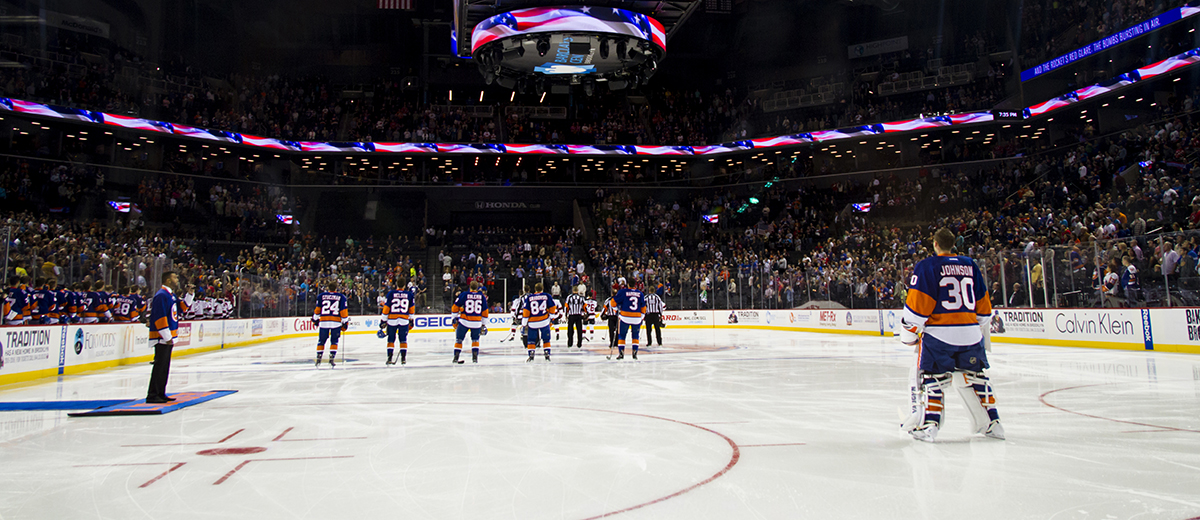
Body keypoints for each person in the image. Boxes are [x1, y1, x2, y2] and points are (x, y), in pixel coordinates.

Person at [899, 228, 1003, 442]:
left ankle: (929, 426)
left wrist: (908, 335)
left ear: (935, 244)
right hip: (971, 335)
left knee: (931, 379)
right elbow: (984, 309)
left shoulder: (927, 266)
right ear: (953, 244)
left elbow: (917, 310)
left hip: (939, 337)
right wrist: (974, 327)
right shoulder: (970, 265)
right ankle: (993, 424)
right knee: (976, 378)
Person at [146, 272, 182, 403]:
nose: (177, 279)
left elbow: (182, 308)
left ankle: (160, 392)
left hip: (167, 337)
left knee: (164, 367)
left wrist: (190, 294)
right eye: (175, 277)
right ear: (167, 280)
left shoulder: (170, 295)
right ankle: (153, 394)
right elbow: (160, 316)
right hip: (161, 337)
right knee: (160, 366)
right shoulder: (161, 295)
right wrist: (166, 336)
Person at [379, 276, 416, 365]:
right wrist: (411, 319)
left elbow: (386, 307)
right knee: (403, 339)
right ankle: (403, 359)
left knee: (391, 339)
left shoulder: (391, 293)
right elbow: (411, 308)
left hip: (392, 319)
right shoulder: (409, 294)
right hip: (404, 319)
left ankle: (389, 358)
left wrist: (383, 320)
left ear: (396, 284)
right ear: (404, 285)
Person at [608, 277, 647, 360]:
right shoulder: (640, 293)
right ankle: (635, 353)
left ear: (628, 284)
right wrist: (642, 317)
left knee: (622, 335)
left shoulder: (623, 292)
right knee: (635, 335)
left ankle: (621, 354)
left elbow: (613, 302)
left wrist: (616, 310)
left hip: (625, 316)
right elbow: (643, 307)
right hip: (637, 317)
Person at [313, 281, 349, 367]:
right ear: (336, 287)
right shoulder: (341, 297)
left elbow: (317, 309)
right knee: (334, 341)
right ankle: (332, 358)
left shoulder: (321, 296)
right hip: (335, 322)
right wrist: (345, 322)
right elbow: (343, 311)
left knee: (321, 341)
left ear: (328, 287)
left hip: (324, 322)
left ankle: (319, 357)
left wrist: (315, 319)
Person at [451, 280, 489, 364]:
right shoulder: (481, 296)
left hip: (464, 321)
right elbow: (485, 311)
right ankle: (475, 358)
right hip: (476, 322)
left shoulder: (464, 294)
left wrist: (454, 317)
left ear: (470, 287)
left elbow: (455, 307)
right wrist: (484, 324)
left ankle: (456, 358)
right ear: (477, 288)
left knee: (459, 340)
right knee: (475, 340)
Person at [522, 282, 556, 362]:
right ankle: (547, 352)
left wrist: (524, 324)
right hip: (544, 321)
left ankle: (531, 353)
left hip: (532, 322)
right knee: (546, 339)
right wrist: (552, 318)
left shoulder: (530, 297)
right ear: (542, 288)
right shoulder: (547, 296)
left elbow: (526, 311)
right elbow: (552, 307)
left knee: (531, 339)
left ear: (535, 289)